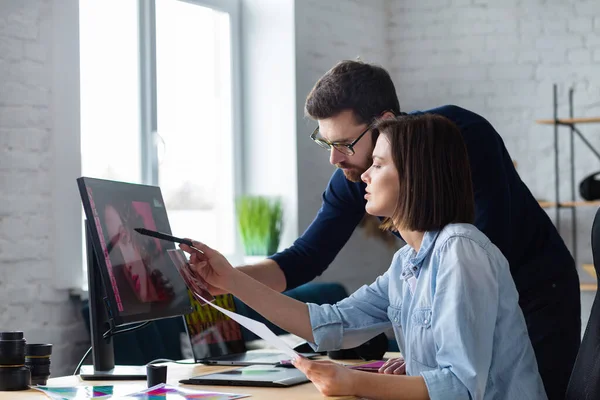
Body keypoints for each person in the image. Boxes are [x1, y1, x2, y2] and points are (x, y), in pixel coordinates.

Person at [212, 60, 579, 400]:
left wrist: (417, 375)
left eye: (346, 145)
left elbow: (461, 376)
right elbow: (323, 307)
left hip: (532, 286)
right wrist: (224, 280)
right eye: (327, 143)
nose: (338, 161)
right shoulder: (407, 259)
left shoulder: (460, 237)